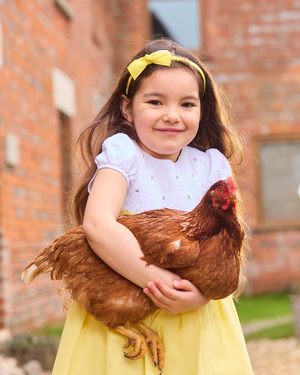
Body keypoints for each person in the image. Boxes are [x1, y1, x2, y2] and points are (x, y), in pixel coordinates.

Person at [52, 39, 253, 375]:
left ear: (202, 111)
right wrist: (160, 284)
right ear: (128, 108)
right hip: (125, 303)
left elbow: (225, 250)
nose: (171, 116)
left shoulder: (212, 166)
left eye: (187, 104)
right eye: (155, 101)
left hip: (195, 319)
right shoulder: (124, 154)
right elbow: (99, 224)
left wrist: (201, 296)